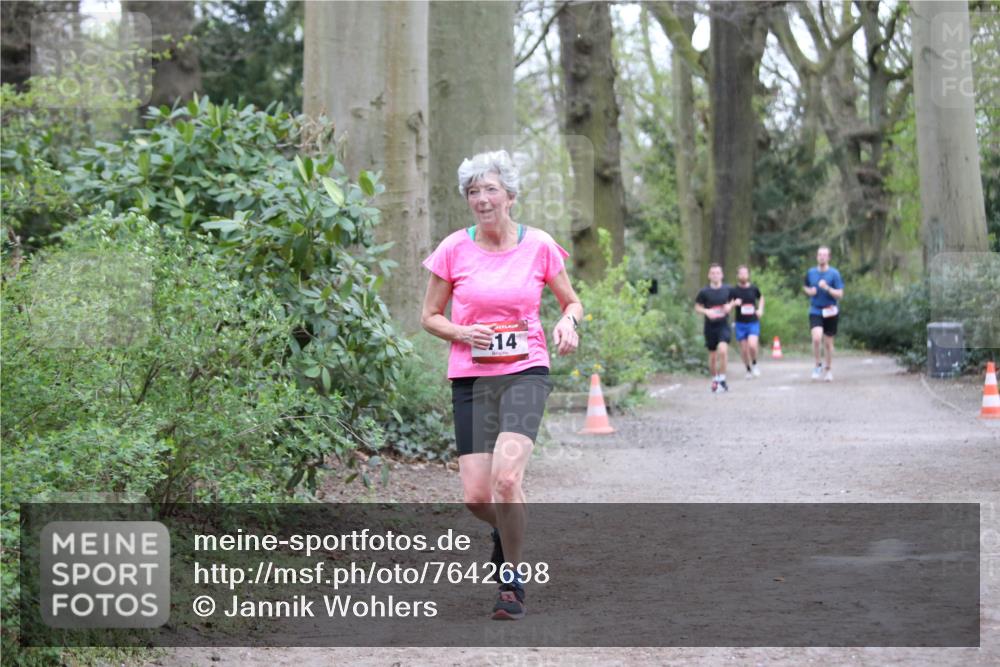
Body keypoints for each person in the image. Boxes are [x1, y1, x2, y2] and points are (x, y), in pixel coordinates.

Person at [420, 150, 582, 620]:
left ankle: (511, 581)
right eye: (473, 191)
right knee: (477, 497)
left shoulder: (539, 245)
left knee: (507, 480)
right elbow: (428, 316)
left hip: (525, 372)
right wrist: (461, 332)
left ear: (510, 196)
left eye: (491, 189)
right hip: (472, 378)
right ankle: (508, 528)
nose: (482, 199)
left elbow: (571, 302)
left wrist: (569, 323)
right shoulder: (453, 249)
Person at [802, 245, 844, 382]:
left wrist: (827, 288)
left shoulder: (834, 274)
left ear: (829, 257)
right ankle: (817, 365)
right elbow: (805, 287)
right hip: (816, 310)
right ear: (816, 256)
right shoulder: (811, 272)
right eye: (820, 254)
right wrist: (810, 292)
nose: (822, 257)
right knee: (816, 338)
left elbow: (840, 294)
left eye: (825, 255)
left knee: (828, 343)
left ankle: (828, 369)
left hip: (830, 310)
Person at [694, 264, 736, 393]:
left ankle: (722, 379)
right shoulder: (704, 292)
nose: (715, 275)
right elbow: (697, 307)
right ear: (709, 276)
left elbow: (736, 300)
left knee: (723, 350)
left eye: (717, 273)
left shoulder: (728, 289)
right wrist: (706, 311)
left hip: (723, 325)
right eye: (713, 273)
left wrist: (730, 306)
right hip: (710, 326)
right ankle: (715, 380)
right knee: (712, 356)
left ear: (722, 275)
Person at [730, 265, 764, 379]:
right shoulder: (734, 290)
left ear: (748, 275)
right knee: (744, 349)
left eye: (745, 273)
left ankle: (754, 364)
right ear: (737, 276)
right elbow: (727, 305)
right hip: (740, 323)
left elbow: (761, 298)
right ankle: (748, 370)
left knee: (752, 345)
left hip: (753, 321)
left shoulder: (754, 288)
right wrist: (734, 303)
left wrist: (760, 309)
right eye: (741, 273)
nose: (743, 276)